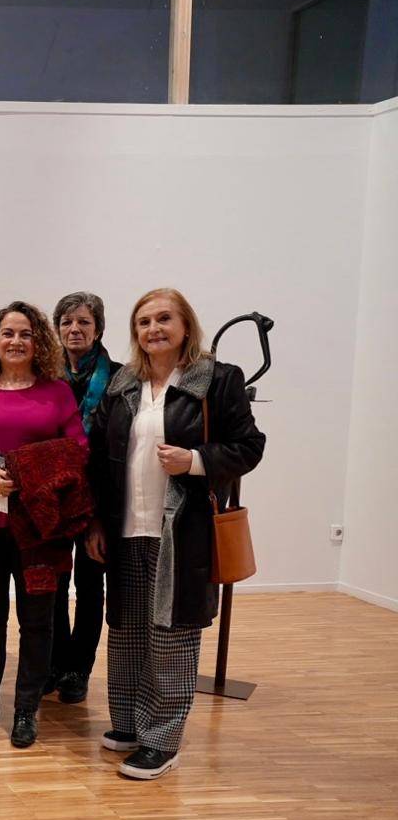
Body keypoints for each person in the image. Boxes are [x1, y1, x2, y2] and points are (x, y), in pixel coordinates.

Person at [86, 289, 264, 779]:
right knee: (125, 632)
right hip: (125, 529)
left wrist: (196, 461)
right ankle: (127, 722)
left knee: (172, 636)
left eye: (164, 318)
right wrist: (97, 522)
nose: (153, 329)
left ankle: (162, 740)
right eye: (143, 321)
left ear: (186, 325)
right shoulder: (124, 383)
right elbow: (99, 459)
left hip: (180, 532)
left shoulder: (217, 381)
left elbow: (249, 446)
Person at [0, 301, 87, 748]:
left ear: (38, 341)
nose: (15, 341)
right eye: (7, 333)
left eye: (25, 334)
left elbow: (77, 449)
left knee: (37, 620)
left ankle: (27, 709)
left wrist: (31, 474)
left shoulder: (57, 391)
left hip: (40, 526)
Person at [48, 291, 119, 704]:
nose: (74, 330)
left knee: (91, 587)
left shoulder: (120, 379)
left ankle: (79, 669)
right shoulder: (45, 377)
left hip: (97, 501)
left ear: (98, 329)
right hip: (53, 500)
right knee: (53, 584)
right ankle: (55, 664)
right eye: (67, 323)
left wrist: (99, 516)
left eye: (83, 323)